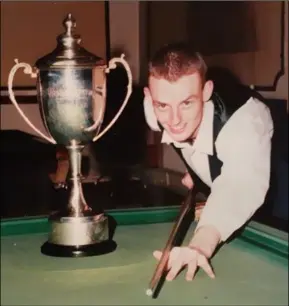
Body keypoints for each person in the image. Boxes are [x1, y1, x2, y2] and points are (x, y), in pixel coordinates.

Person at [143, 43, 273, 282]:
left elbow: (240, 185)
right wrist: (196, 169)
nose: (174, 120)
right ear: (149, 97)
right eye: (162, 105)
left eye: (186, 103)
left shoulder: (246, 121)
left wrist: (200, 245)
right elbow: (181, 132)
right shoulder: (154, 111)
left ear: (206, 92)